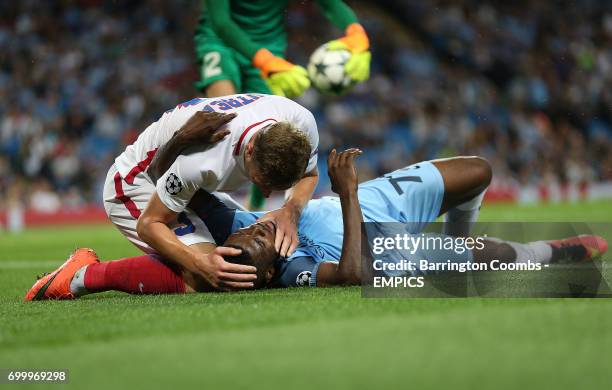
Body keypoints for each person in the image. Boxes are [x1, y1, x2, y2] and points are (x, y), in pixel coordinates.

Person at [24, 151, 607, 300]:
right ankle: (551, 251)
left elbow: (181, 184)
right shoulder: (294, 270)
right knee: (493, 255)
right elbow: (354, 272)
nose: (251, 238)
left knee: (477, 171)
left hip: (364, 200)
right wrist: (350, 194)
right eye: (254, 249)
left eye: (242, 240)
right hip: (375, 224)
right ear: (274, 265)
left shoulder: (240, 224)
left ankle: (87, 275)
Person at [106, 93, 319, 290]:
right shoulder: (206, 158)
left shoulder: (301, 124)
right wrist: (199, 263)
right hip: (138, 179)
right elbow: (149, 224)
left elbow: (310, 175)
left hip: (195, 186)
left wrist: (291, 209)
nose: (265, 194)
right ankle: (89, 274)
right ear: (251, 148)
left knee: (249, 258)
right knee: (216, 275)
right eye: (259, 182)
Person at [196, 0, 371, 209]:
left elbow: (330, 4)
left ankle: (254, 208)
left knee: (268, 136)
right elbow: (221, 22)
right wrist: (263, 60)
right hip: (221, 42)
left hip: (269, 47)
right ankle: (191, 196)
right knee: (225, 120)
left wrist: (356, 31)